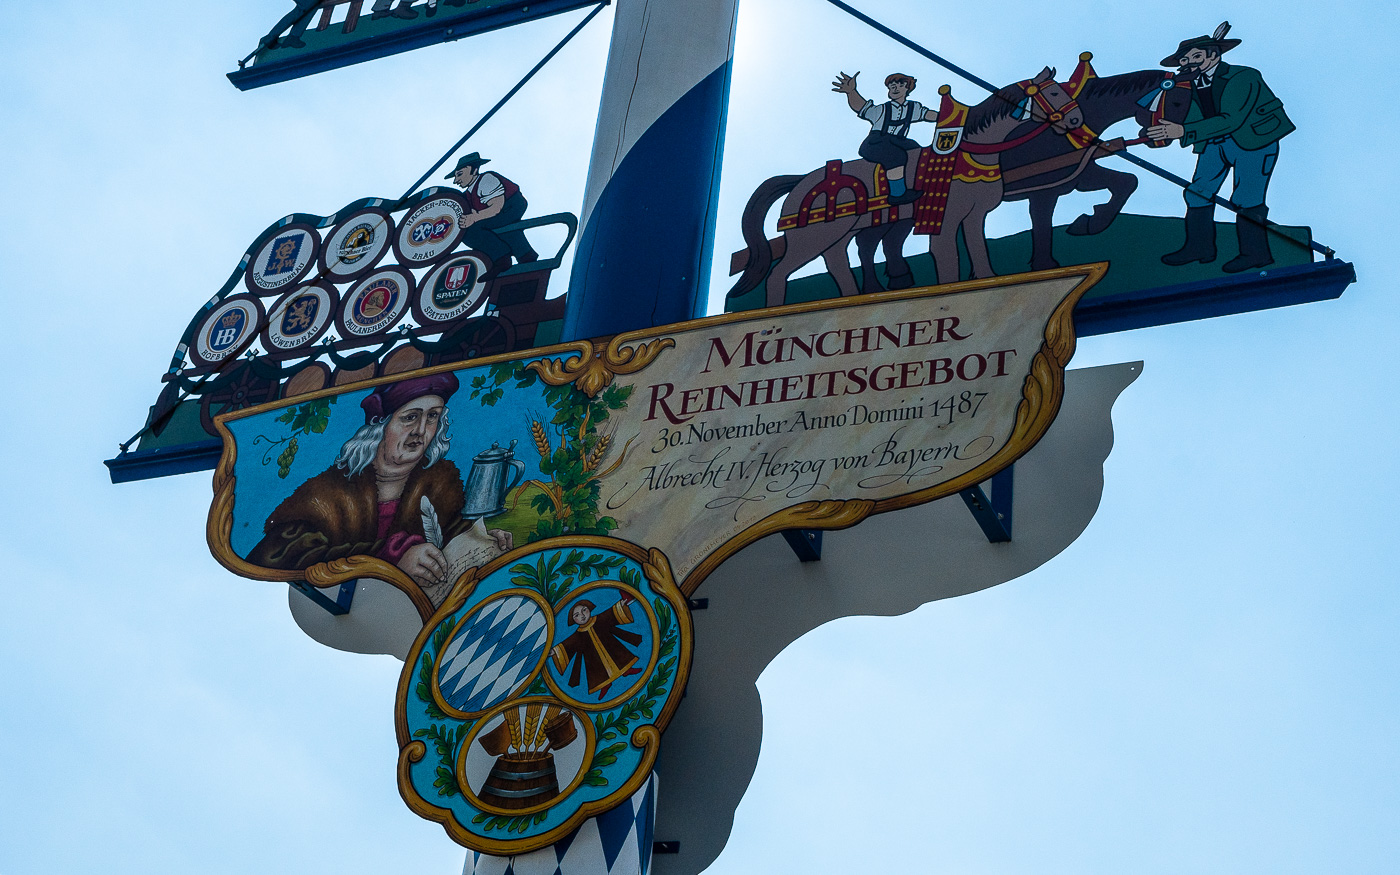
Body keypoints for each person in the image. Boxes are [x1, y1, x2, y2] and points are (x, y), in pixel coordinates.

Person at [247, 373, 510, 591]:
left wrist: (479, 541)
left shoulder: (440, 484)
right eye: (410, 417)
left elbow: (451, 534)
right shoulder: (328, 492)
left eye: (432, 417)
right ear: (379, 427)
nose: (421, 430)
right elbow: (278, 552)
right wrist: (389, 557)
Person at [1147, 22, 1294, 272]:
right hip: (1215, 142)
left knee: (1247, 198)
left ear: (1214, 55)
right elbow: (1191, 118)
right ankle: (1199, 248)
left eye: (1195, 56)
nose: (1189, 62)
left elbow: (1232, 118)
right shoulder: (1189, 84)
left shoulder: (1243, 76)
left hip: (1254, 141)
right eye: (1184, 59)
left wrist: (1182, 131)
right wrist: (1168, 131)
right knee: (1197, 191)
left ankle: (1255, 254)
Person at [833, 71, 938, 205]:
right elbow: (861, 107)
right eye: (891, 86)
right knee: (896, 156)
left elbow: (927, 114)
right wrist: (851, 91)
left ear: (907, 88)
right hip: (875, 143)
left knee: (917, 150)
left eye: (899, 85)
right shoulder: (882, 110)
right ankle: (897, 194)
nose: (894, 88)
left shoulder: (912, 108)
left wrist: (947, 116)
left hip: (897, 141)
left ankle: (921, 182)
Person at [444, 152, 539, 278]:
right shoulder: (468, 194)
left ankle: (501, 258)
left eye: (459, 174)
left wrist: (474, 218)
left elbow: (496, 207)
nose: (456, 181)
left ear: (473, 170)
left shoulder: (486, 179)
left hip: (510, 206)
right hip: (498, 212)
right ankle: (526, 256)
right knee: (503, 231)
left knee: (471, 231)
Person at [550, 596, 644, 699]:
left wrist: (620, 605)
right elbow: (567, 645)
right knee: (597, 672)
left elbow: (610, 614)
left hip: (610, 645)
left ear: (589, 609)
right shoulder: (577, 635)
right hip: (592, 658)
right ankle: (604, 686)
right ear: (574, 620)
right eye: (577, 615)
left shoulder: (599, 619)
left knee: (619, 656)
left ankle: (627, 671)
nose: (582, 616)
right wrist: (555, 652)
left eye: (584, 610)